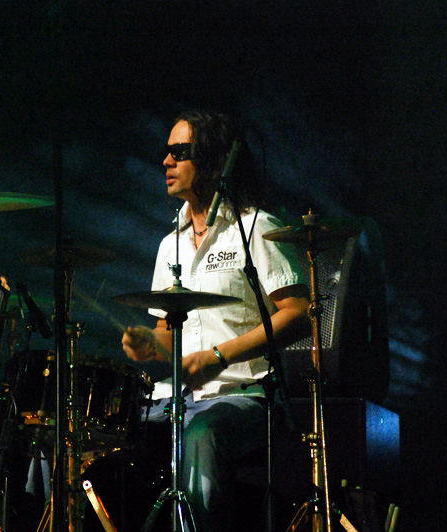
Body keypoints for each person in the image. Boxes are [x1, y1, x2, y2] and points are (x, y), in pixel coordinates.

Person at [122, 109, 310, 532]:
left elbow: (298, 315)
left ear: (211, 159)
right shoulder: (169, 244)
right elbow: (168, 333)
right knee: (102, 433)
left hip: (245, 397)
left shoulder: (255, 227)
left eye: (179, 152)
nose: (166, 162)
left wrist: (219, 357)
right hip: (178, 398)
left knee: (203, 433)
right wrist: (150, 343)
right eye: (166, 152)